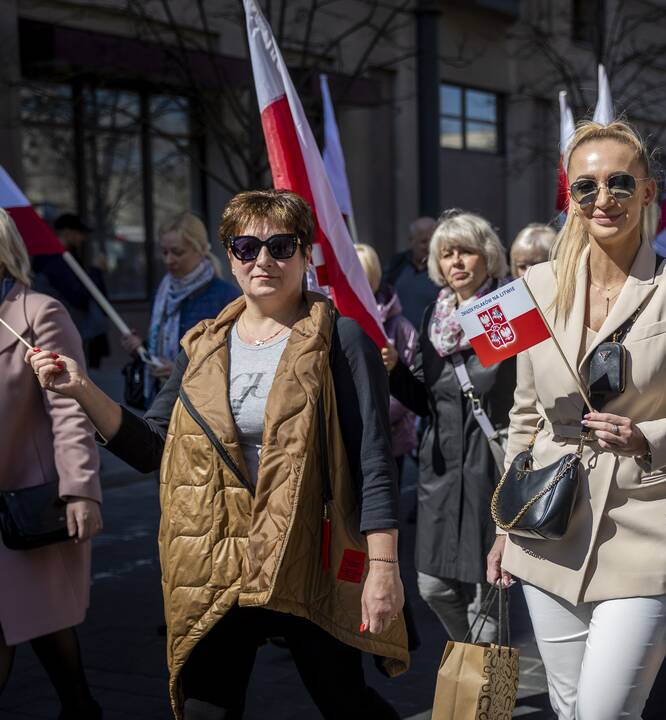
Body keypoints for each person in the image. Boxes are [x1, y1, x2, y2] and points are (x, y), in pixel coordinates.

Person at [26, 190, 408, 719]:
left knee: (345, 702)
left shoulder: (340, 340)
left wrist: (383, 568)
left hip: (307, 554)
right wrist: (83, 389)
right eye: (247, 247)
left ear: (305, 253)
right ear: (230, 257)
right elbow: (153, 446)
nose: (264, 261)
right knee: (207, 709)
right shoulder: (203, 346)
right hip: (220, 557)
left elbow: (372, 462)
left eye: (280, 245)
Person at [485, 120, 666, 719]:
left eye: (620, 183)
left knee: (602, 714)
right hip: (547, 525)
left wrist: (650, 435)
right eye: (586, 186)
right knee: (570, 710)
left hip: (645, 524)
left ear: (648, 192)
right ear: (568, 195)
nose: (604, 199)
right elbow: (523, 415)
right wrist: (503, 522)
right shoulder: (533, 287)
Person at [381, 210, 513, 645]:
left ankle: (483, 697)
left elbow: (523, 393)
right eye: (447, 254)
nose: (457, 262)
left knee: (488, 594)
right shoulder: (434, 317)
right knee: (432, 586)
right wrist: (397, 371)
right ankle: (471, 658)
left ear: (487, 256)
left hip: (491, 465)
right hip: (440, 470)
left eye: (466, 252)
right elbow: (425, 401)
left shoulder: (506, 310)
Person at [0, 208, 104, 720]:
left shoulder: (38, 313)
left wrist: (80, 488)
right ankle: (80, 706)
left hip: (24, 503)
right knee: (36, 623)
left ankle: (80, 705)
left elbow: (68, 405)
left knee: (22, 621)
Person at [120, 213, 239, 405]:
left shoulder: (225, 296)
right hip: (161, 400)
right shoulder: (162, 291)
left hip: (202, 404)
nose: (168, 260)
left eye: (177, 252)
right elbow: (158, 345)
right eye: (164, 252)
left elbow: (232, 358)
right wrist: (139, 348)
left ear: (199, 249)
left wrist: (180, 369)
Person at [355, 243, 420, 476]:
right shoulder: (330, 320)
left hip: (390, 441)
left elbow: (412, 384)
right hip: (344, 441)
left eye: (360, 275)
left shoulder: (400, 328)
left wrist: (375, 419)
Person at [30, 214, 111, 367]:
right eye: (80, 234)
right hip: (65, 329)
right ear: (67, 233)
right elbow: (78, 296)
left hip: (69, 327)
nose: (83, 239)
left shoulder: (62, 256)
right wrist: (96, 271)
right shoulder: (54, 259)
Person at [383, 216, 438, 330]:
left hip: (434, 341)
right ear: (411, 240)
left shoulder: (443, 269)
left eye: (433, 241)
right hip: (399, 340)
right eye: (424, 241)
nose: (429, 247)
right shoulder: (397, 265)